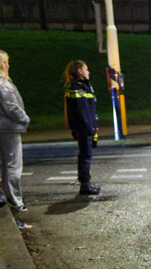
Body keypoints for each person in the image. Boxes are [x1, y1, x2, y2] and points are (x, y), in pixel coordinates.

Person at [0, 49, 30, 212]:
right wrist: (24, 118)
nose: (8, 65)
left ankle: (11, 198)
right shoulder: (1, 83)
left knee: (8, 164)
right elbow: (11, 107)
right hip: (8, 127)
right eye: (6, 62)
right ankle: (15, 200)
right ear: (0, 64)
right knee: (14, 166)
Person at [63, 60, 101, 196]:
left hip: (86, 127)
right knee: (85, 156)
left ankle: (86, 183)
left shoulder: (83, 86)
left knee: (86, 155)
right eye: (86, 69)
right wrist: (89, 128)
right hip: (84, 128)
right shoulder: (76, 86)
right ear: (79, 71)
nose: (88, 72)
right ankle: (85, 185)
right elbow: (81, 110)